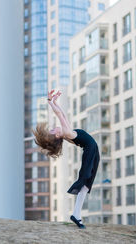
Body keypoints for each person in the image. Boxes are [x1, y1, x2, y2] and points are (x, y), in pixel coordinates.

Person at [32, 90, 100, 229]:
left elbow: (61, 114)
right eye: (52, 130)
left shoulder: (67, 132)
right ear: (56, 135)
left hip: (94, 151)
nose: (53, 128)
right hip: (90, 152)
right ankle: (76, 215)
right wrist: (51, 103)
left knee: (87, 184)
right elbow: (59, 115)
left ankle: (76, 214)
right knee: (84, 181)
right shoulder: (67, 133)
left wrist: (54, 102)